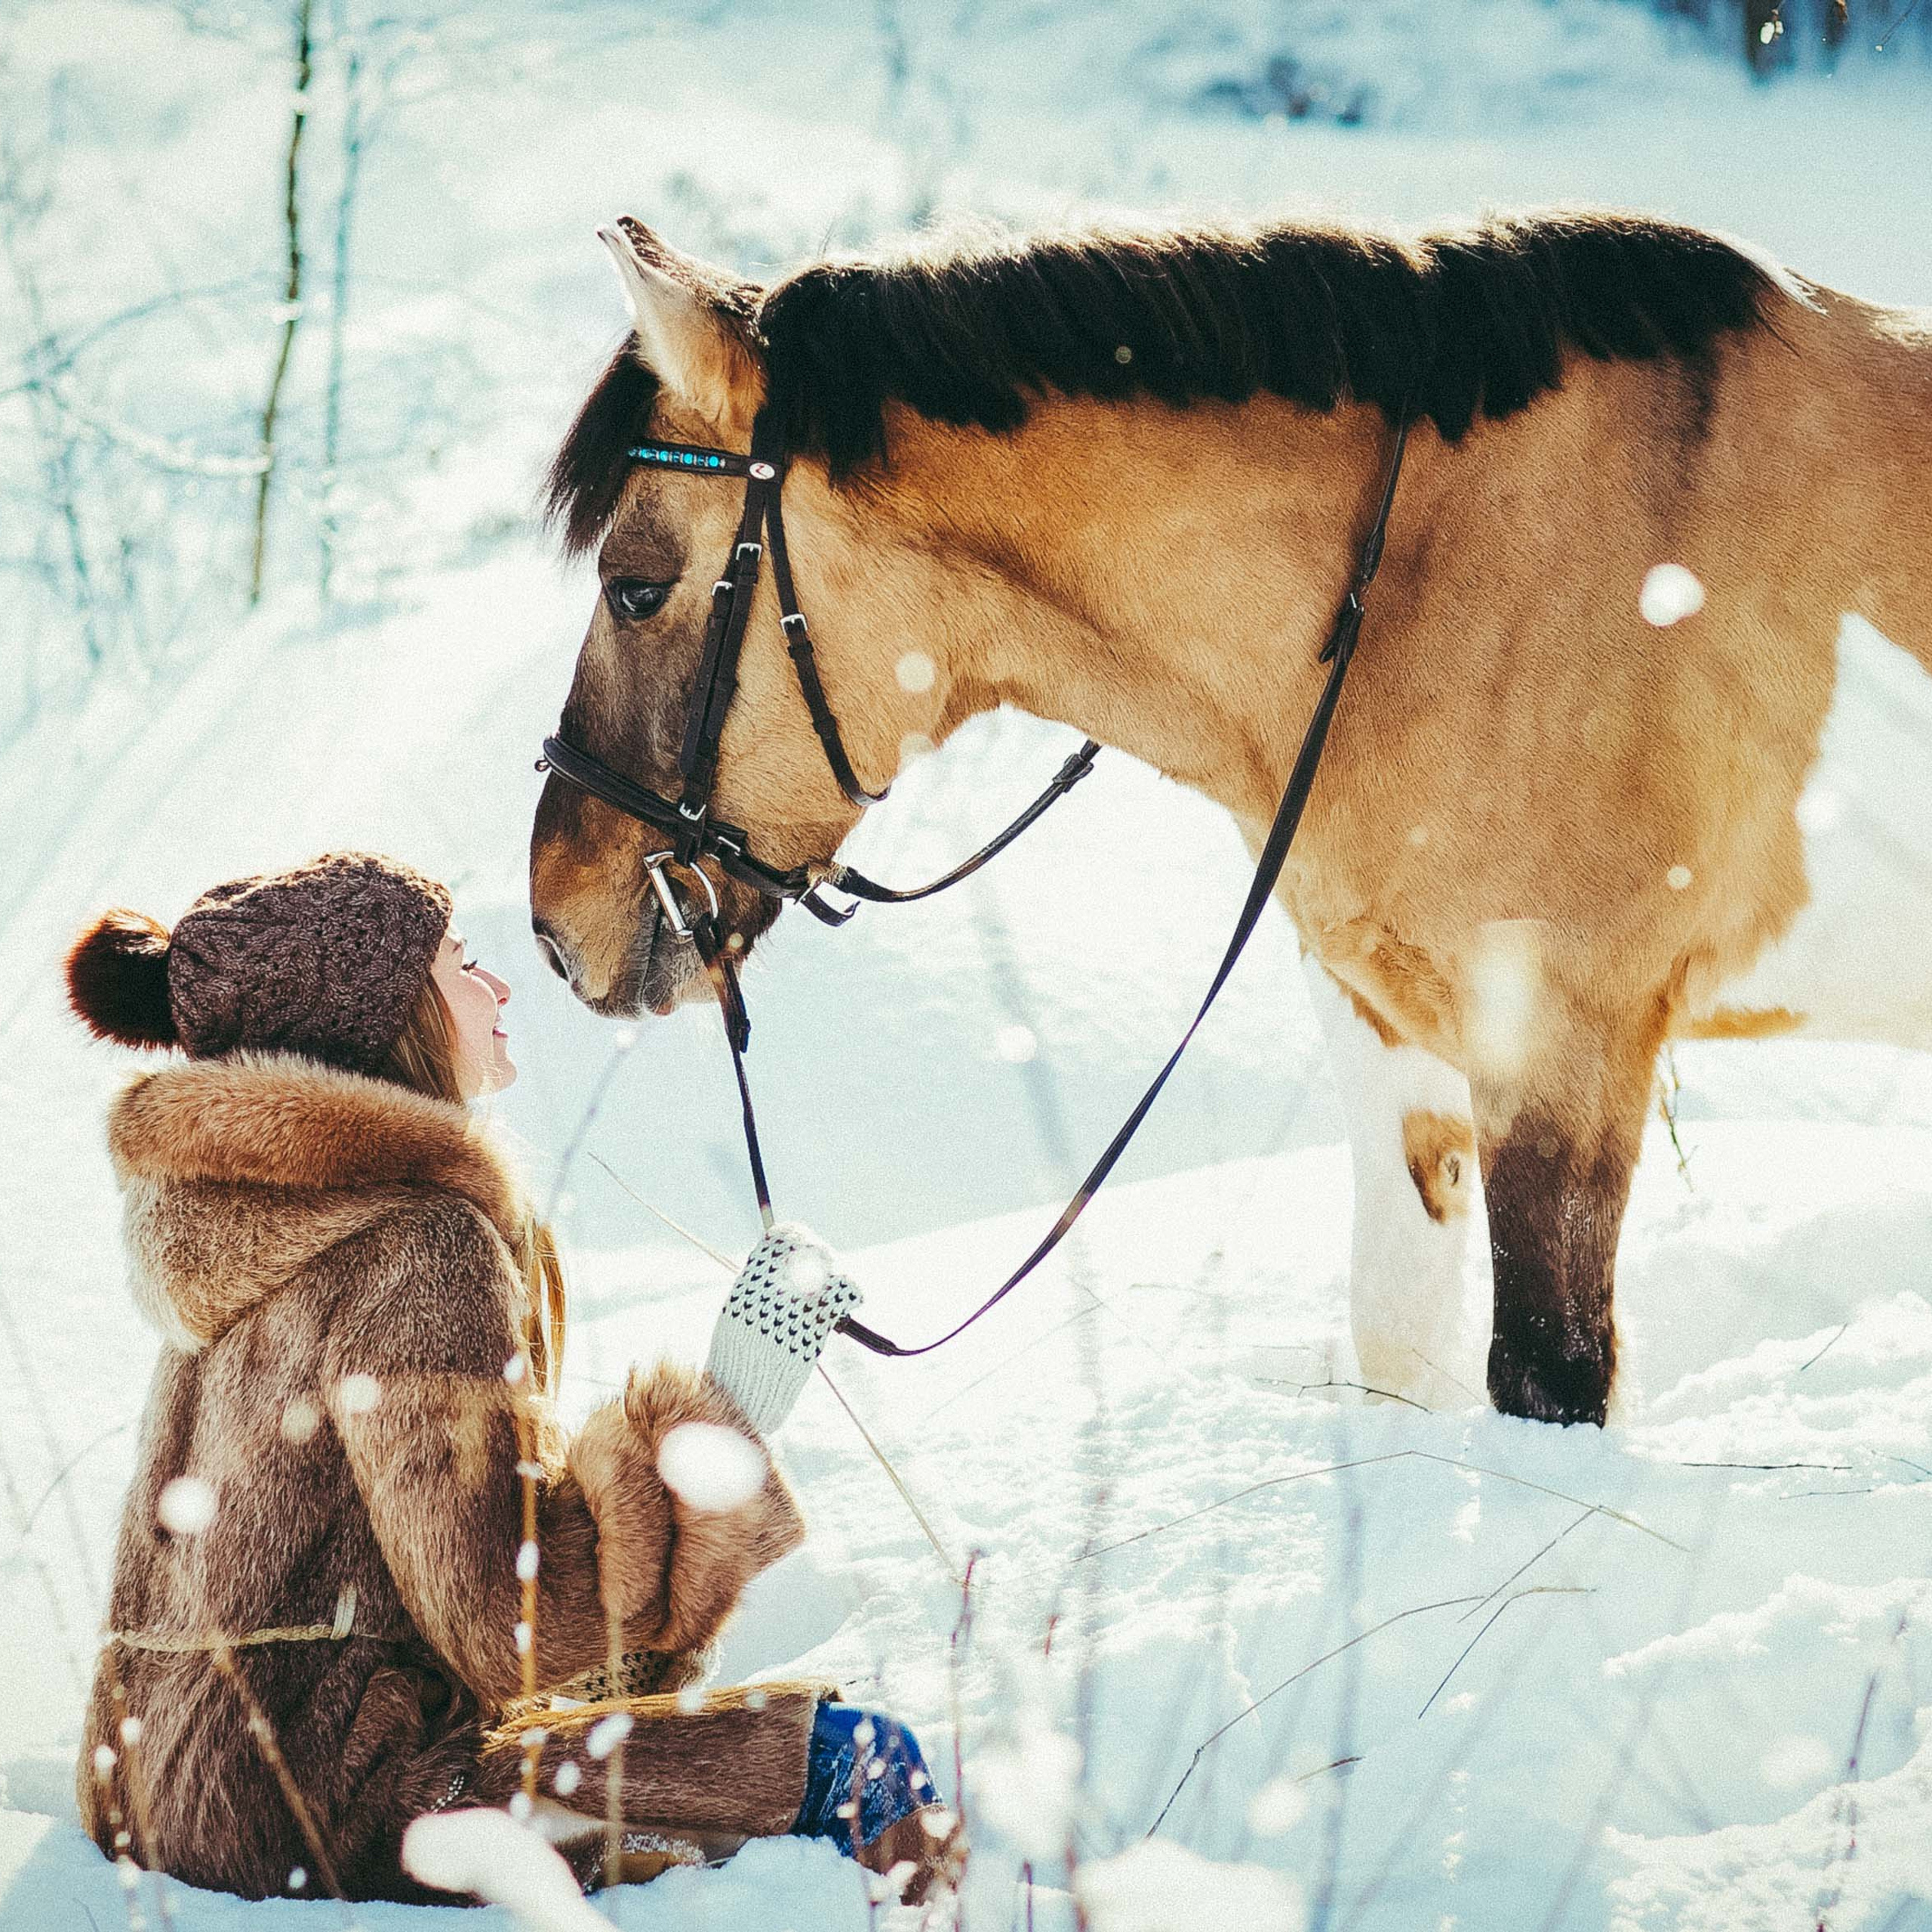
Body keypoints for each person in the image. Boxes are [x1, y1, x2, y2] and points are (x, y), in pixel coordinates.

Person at [65, 851, 960, 1906]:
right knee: (860, 1764)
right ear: (388, 1016)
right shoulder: (420, 1244)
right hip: (340, 1804)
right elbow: (508, 1624)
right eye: (463, 964)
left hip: (156, 1788)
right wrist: (721, 1425)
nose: (497, 987)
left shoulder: (255, 1232)